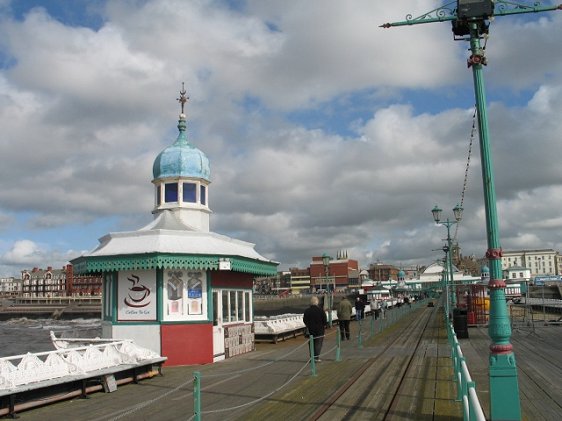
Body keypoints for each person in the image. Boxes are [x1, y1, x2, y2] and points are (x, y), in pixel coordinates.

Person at [303, 296, 327, 362]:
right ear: (317, 302)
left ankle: (312, 357)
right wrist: (323, 325)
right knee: (318, 344)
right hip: (320, 330)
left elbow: (304, 320)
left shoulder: (307, 311)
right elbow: (325, 321)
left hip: (311, 330)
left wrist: (308, 325)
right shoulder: (321, 310)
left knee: (311, 344)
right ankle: (316, 357)